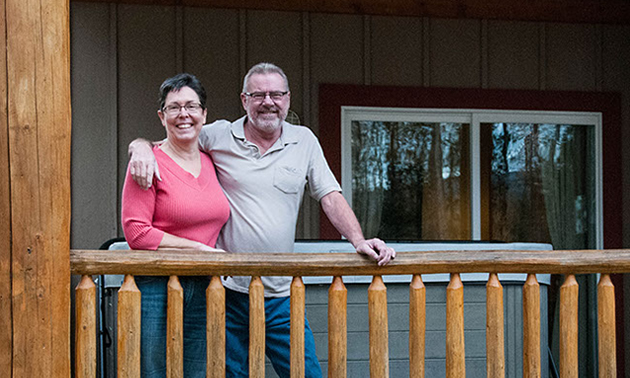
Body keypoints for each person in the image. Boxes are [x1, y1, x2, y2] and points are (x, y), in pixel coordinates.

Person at [128, 62, 396, 378]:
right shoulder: (218, 135)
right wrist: (140, 147)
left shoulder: (304, 140)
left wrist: (358, 240)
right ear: (244, 100)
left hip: (280, 294)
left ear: (288, 98)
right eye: (258, 94)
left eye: (276, 94)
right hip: (227, 291)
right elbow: (172, 142)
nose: (267, 101)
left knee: (304, 372)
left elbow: (330, 195)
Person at [121, 73, 230, 378]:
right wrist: (199, 249)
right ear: (162, 116)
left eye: (191, 106)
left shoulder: (213, 161)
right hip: (156, 285)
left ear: (204, 114)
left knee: (198, 370)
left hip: (204, 283)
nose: (184, 114)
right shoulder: (147, 163)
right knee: (153, 371)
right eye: (174, 107)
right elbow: (137, 233)